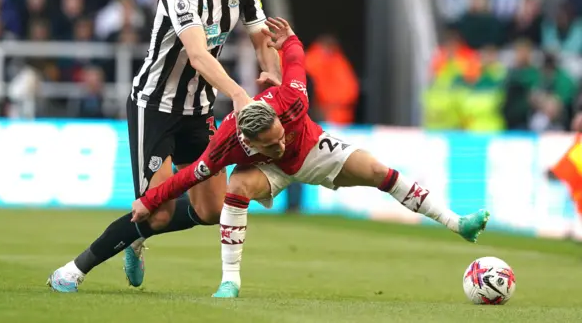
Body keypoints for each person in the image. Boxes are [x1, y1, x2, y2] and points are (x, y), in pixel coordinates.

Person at [130, 17, 491, 298]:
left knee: (379, 171)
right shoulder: (228, 143)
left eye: (278, 136)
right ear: (249, 140)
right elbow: (187, 176)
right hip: (266, 172)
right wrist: (149, 199)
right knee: (236, 187)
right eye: (269, 143)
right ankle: (230, 282)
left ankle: (458, 224)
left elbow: (296, 60)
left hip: (312, 149)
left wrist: (290, 40)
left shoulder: (294, 100)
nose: (279, 144)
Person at [47, 0, 281, 292]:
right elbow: (198, 55)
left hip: (198, 111)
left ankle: (136, 234)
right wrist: (238, 93)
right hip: (154, 107)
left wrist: (271, 71)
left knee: (210, 210)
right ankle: (73, 269)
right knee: (157, 214)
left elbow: (261, 40)